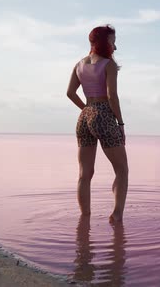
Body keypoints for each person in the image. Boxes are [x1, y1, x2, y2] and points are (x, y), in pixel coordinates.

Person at [66, 24, 128, 224]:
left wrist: (87, 108)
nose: (115, 47)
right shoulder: (108, 65)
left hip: (84, 116)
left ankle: (85, 218)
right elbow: (112, 96)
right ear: (104, 42)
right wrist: (120, 122)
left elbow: (70, 93)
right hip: (103, 114)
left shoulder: (79, 64)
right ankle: (117, 216)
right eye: (112, 41)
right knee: (122, 170)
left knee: (85, 173)